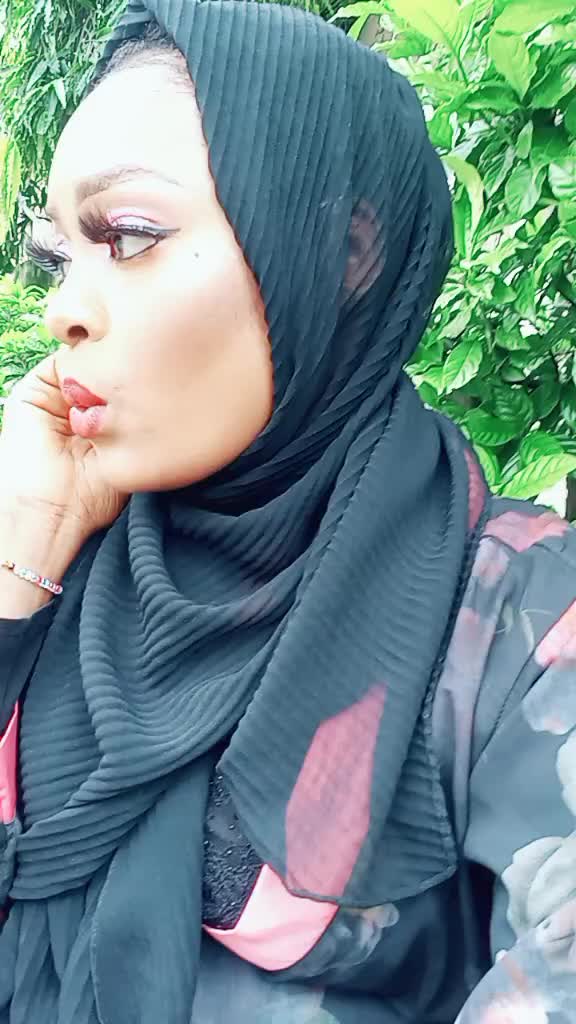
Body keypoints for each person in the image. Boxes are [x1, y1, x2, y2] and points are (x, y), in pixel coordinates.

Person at [0, 0, 575, 1020]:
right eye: (60, 258)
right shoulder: (68, 563)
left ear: (345, 257)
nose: (63, 310)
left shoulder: (519, 618)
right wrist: (17, 568)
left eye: (127, 236)